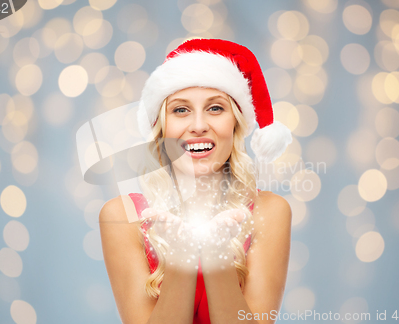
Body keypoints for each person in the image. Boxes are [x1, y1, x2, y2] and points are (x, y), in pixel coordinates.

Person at [100, 39, 293, 324]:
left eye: (215, 108)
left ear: (235, 124)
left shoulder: (270, 211)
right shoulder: (121, 216)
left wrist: (217, 256)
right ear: (161, 126)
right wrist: (182, 258)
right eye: (181, 110)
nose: (199, 125)